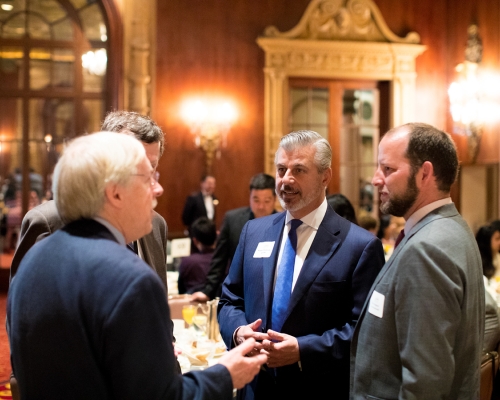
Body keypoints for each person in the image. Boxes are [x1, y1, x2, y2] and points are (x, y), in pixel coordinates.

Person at [7, 132, 267, 399]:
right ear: (115, 193)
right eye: (148, 179)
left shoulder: (33, 260)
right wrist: (225, 374)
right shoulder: (130, 279)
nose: (158, 189)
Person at [218, 130, 385, 399]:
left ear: (325, 176)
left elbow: (367, 331)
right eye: (281, 169)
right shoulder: (254, 232)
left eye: (299, 170)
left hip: (318, 388)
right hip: (255, 387)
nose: (286, 180)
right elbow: (230, 299)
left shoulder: (359, 246)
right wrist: (239, 332)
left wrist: (302, 349)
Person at [350, 123, 484, 399]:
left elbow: (426, 380)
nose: (376, 179)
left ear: (424, 173)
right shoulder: (453, 227)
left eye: (388, 169)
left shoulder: (427, 248)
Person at [10, 111, 169, 291]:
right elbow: (26, 312)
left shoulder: (155, 224)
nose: (155, 187)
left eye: (151, 168)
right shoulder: (47, 222)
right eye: (135, 167)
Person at [191, 173, 277, 302]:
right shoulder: (232, 220)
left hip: (272, 294)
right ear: (249, 197)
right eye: (256, 200)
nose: (261, 207)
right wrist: (208, 291)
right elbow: (219, 259)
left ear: (275, 199)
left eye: (267, 201)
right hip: (239, 294)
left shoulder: (284, 223)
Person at [178, 217, 217, 294]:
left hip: (192, 304)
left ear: (195, 241)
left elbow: (181, 291)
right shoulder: (227, 260)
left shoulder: (187, 262)